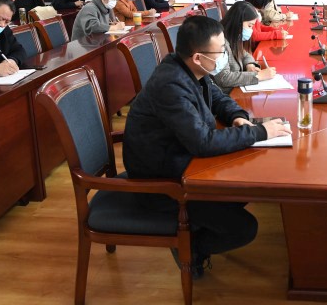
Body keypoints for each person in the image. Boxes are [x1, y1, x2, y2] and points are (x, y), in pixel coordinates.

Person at [123, 15, 291, 278]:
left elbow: (218, 98)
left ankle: (196, 227)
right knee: (244, 228)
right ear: (198, 57)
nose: (224, 56)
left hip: (183, 161)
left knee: (244, 186)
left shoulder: (190, 68)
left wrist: (238, 117)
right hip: (163, 182)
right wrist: (260, 132)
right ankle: (189, 249)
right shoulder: (171, 84)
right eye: (220, 51)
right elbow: (202, 142)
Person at [212, 1, 276, 94]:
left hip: (236, 90)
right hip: (225, 95)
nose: (250, 30)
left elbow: (245, 54)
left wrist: (249, 65)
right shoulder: (220, 42)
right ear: (237, 22)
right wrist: (258, 76)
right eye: (249, 26)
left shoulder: (234, 37)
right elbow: (224, 78)